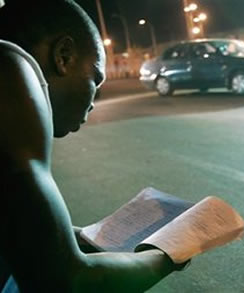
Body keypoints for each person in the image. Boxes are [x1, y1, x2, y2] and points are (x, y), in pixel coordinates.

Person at [0, 1, 185, 292]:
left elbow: (22, 233)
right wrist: (167, 255)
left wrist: (90, 238)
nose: (92, 102)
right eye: (94, 80)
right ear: (63, 56)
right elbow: (68, 280)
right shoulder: (9, 70)